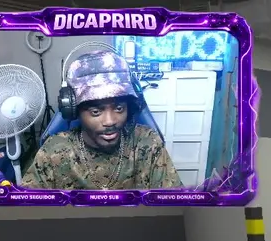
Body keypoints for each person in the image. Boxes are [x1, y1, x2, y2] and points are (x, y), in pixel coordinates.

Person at [21, 50, 181, 190]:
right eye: (96, 111)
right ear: (74, 110)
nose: (110, 121)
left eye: (119, 108)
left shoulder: (147, 143)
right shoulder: (54, 151)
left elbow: (174, 205)